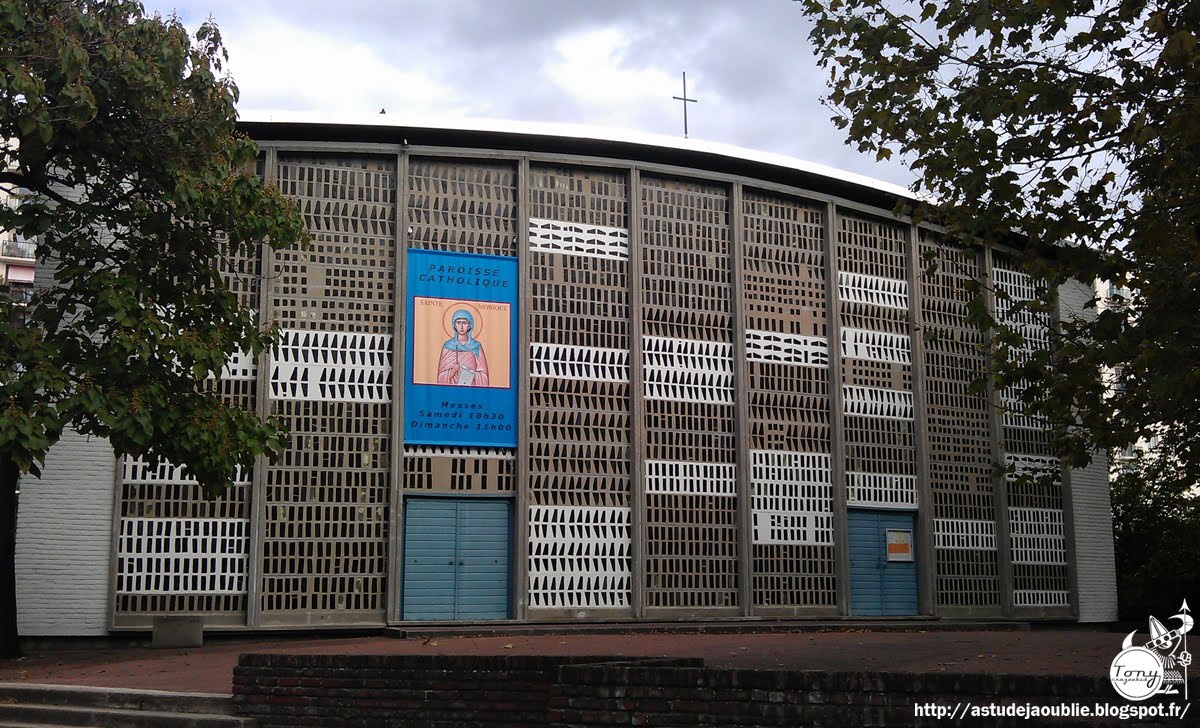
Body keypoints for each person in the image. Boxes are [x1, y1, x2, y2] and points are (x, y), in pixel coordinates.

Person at [437, 309, 490, 386]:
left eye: (465, 323)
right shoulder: (448, 346)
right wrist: (453, 371)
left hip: (472, 391)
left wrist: (471, 374)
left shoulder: (476, 346)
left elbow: (484, 376)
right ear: (454, 325)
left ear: (470, 325)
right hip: (451, 391)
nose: (461, 326)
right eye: (458, 323)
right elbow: (440, 378)